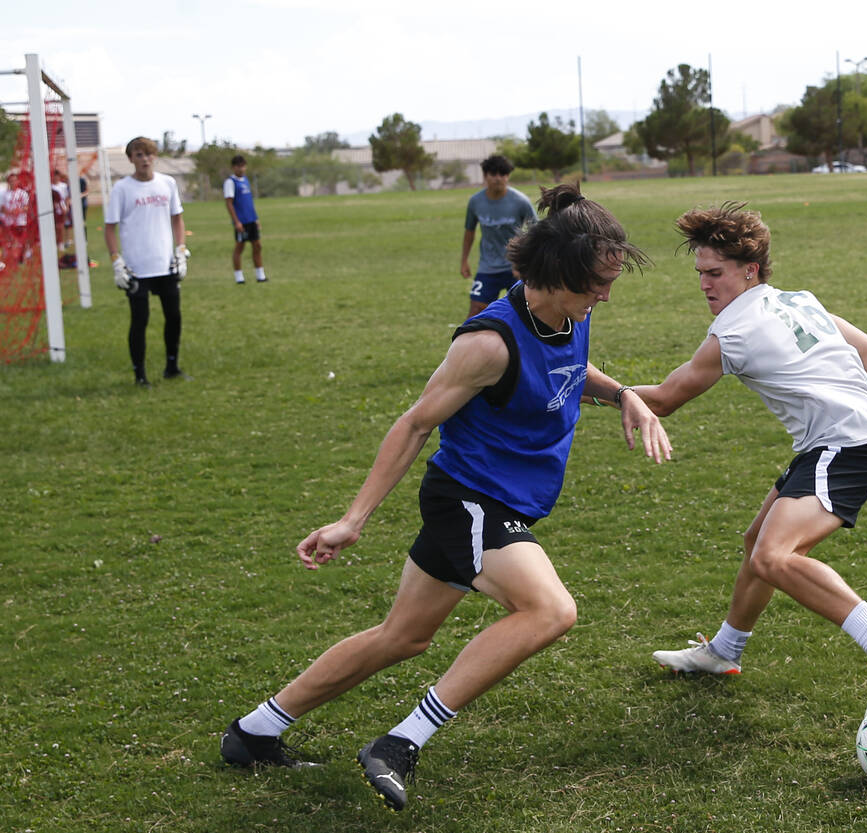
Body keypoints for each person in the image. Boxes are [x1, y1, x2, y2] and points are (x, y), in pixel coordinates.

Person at [220, 183, 671, 812]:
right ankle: (401, 742)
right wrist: (353, 519)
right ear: (558, 274)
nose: (606, 294)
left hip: (501, 501)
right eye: (597, 282)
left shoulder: (570, 316)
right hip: (471, 498)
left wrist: (624, 393)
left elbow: (569, 372)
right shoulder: (487, 344)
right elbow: (414, 424)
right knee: (550, 611)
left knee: (401, 637)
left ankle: (254, 731)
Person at [633, 203, 867, 718]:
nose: (705, 285)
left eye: (715, 273)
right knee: (757, 542)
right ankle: (724, 651)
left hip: (843, 446)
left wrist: (580, 383)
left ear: (750, 269)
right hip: (846, 441)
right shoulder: (799, 300)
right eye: (700, 274)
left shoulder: (733, 333)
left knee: (773, 556)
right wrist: (864, 417)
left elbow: (660, 400)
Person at [103, 136, 190, 387]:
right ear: (131, 159)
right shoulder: (122, 188)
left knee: (173, 316)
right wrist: (116, 261)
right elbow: (110, 228)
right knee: (140, 320)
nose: (145, 159)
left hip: (165, 264)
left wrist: (181, 250)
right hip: (137, 267)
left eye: (149, 154)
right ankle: (139, 375)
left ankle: (172, 366)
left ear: (155, 156)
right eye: (139, 155)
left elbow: (177, 218)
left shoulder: (168, 183)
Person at [460, 154, 536, 318]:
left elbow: (535, 233)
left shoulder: (520, 201)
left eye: (503, 174)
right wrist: (464, 260)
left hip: (515, 269)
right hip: (487, 268)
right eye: (493, 174)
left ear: (508, 176)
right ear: (485, 176)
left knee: (525, 315)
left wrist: (523, 262)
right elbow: (469, 232)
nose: (498, 178)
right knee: (475, 312)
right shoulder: (475, 202)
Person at [223, 154, 265, 284]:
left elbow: (249, 202)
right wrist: (236, 221)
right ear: (233, 167)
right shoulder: (230, 182)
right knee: (240, 247)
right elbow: (229, 203)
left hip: (251, 219)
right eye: (238, 167)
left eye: (243, 166)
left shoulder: (245, 180)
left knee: (257, 246)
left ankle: (260, 275)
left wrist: (256, 218)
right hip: (241, 221)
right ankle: (239, 277)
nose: (241, 169)